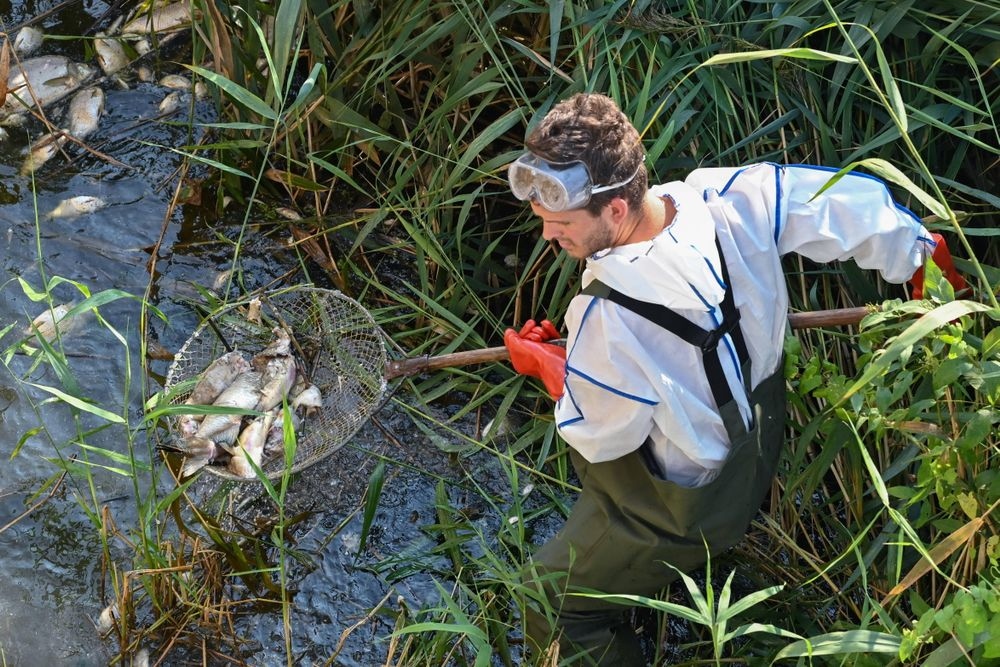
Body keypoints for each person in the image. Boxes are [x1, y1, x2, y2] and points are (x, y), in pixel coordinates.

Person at [502, 92, 967, 665]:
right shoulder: (729, 198)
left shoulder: (606, 319)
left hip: (684, 511)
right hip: (762, 447)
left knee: (545, 597)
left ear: (615, 210)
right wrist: (923, 257)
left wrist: (553, 366)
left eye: (560, 222)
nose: (550, 236)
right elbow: (845, 206)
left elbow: (602, 437)